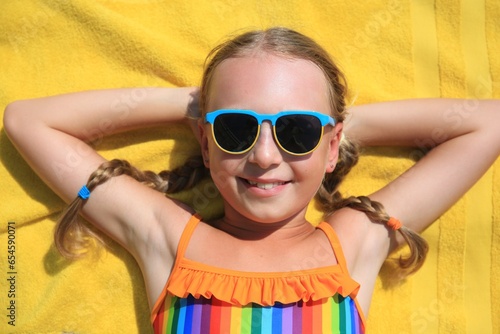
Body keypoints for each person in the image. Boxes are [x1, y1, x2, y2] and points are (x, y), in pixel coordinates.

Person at [4, 27, 499, 333]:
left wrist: (334, 125)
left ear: (332, 147)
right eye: (236, 129)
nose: (264, 156)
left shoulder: (353, 241)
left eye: (296, 131)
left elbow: (488, 123)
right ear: (204, 141)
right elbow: (27, 121)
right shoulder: (168, 238)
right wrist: (193, 106)